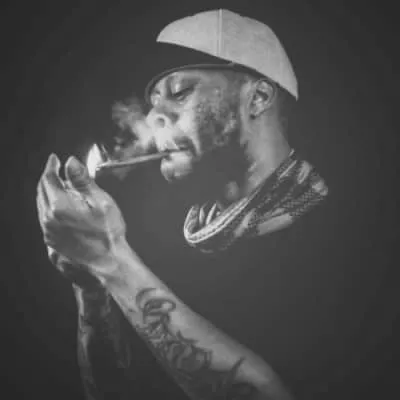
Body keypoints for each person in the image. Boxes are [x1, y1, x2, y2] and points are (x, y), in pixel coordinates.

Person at [36, 9, 331, 400]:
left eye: (179, 93)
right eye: (153, 102)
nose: (154, 118)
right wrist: (91, 285)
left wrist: (111, 259)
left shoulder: (342, 241)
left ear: (258, 98)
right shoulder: (166, 251)